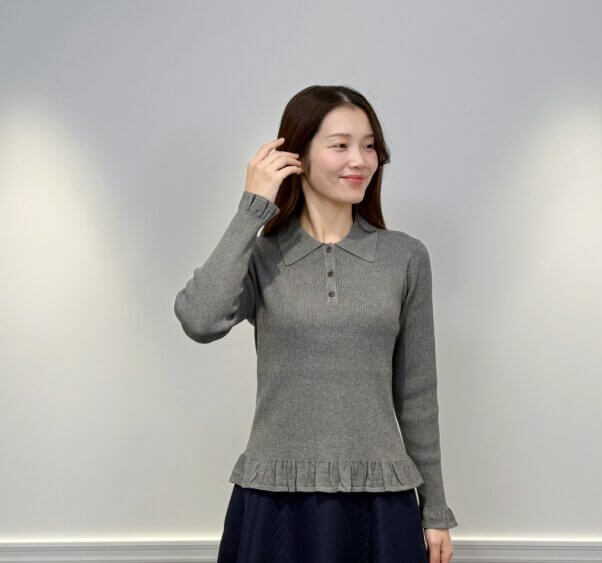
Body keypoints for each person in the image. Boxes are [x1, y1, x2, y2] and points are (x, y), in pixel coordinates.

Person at [174, 85, 457, 563]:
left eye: (369, 146)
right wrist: (251, 209)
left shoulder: (405, 257)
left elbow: (417, 396)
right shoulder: (262, 256)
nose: (360, 160)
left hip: (380, 504)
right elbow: (199, 319)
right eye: (340, 145)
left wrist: (435, 510)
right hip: (276, 504)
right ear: (297, 156)